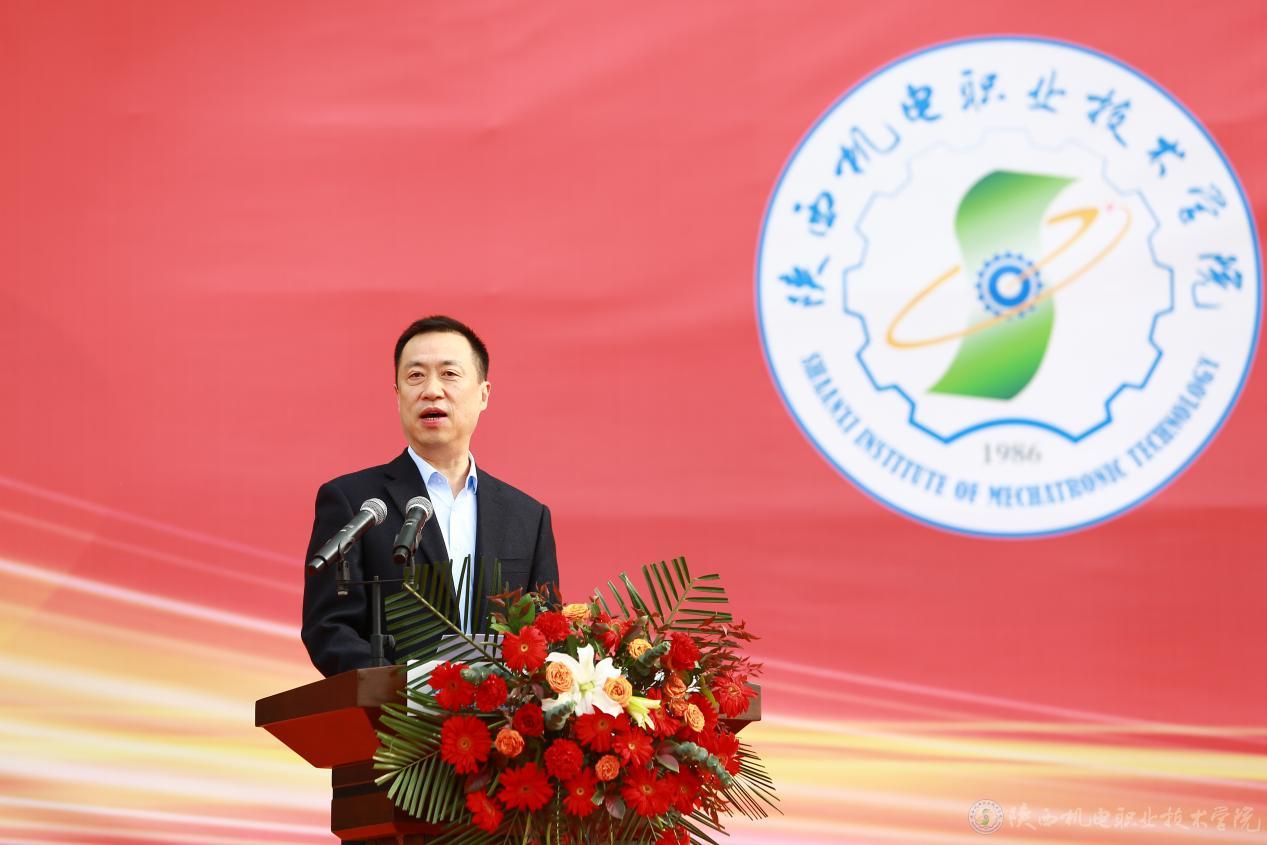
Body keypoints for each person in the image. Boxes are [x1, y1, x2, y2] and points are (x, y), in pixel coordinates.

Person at [302, 315, 559, 677]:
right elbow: (328, 629)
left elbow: (547, 632)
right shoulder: (354, 502)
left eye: (449, 374)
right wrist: (408, 691)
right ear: (397, 396)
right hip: (394, 711)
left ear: (484, 394)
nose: (432, 390)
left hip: (504, 712)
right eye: (415, 376)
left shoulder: (528, 518)